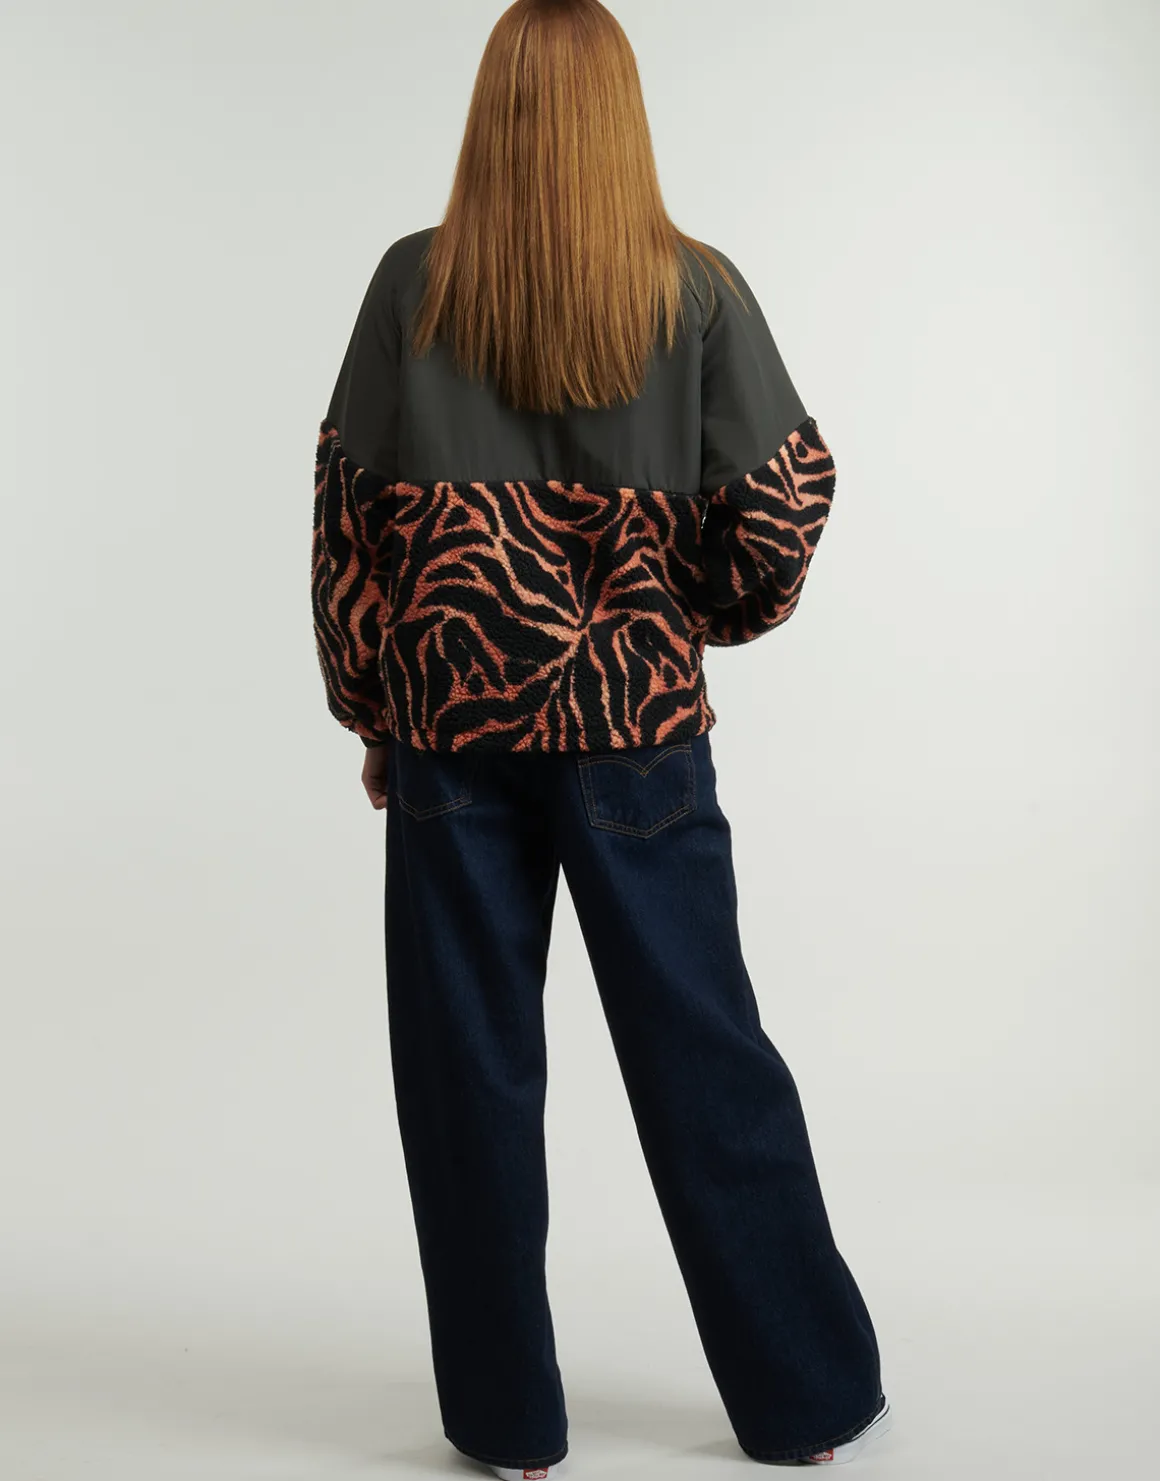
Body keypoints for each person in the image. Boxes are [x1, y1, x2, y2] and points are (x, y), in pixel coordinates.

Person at [310, 2, 889, 1475]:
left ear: (493, 113)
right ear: (619, 119)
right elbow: (779, 514)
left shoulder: (411, 286)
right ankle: (807, 1404)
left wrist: (376, 710)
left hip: (453, 734)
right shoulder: (696, 292)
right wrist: (684, 612)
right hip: (636, 732)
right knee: (708, 1059)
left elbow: (348, 521)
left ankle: (508, 1428)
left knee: (468, 1077)